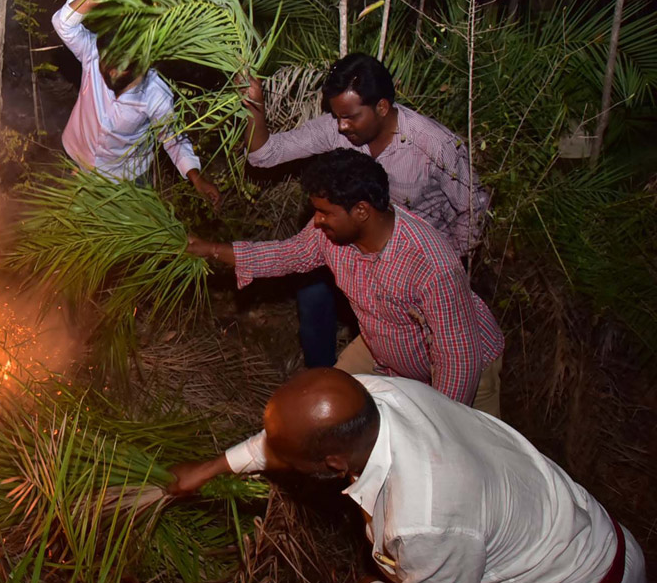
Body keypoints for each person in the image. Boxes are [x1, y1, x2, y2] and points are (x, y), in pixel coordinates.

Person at [167, 368, 645, 583]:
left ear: (333, 464)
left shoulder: (424, 519)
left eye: (290, 462)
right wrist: (211, 468)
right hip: (593, 533)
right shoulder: (369, 394)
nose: (278, 460)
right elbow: (289, 435)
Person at [187, 149, 503, 414]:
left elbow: (458, 358)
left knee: (473, 458)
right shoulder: (330, 234)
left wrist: (435, 426)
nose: (317, 221)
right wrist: (211, 250)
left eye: (324, 213)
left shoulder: (431, 264)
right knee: (329, 407)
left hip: (467, 368)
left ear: (362, 211)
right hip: (382, 345)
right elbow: (288, 254)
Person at [242, 54, 489, 367]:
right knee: (313, 293)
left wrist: (443, 264)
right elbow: (264, 155)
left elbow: (474, 209)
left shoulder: (435, 146)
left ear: (382, 107)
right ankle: (326, 386)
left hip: (411, 270)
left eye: (351, 117)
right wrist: (254, 106)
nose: (342, 125)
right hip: (352, 249)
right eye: (337, 116)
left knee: (431, 362)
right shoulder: (339, 128)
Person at [52, 0, 221, 206]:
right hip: (76, 156)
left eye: (121, 67)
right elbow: (63, 22)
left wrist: (196, 178)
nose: (111, 72)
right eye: (108, 63)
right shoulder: (93, 53)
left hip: (124, 180)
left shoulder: (156, 94)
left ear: (142, 63)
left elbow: (172, 137)